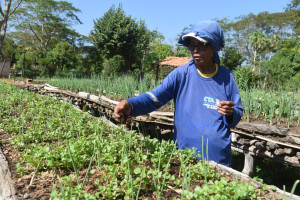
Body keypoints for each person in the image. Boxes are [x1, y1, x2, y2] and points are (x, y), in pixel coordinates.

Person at [114, 21, 243, 166]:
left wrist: (230, 113)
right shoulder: (181, 74)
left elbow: (237, 113)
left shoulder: (226, 77)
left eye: (200, 45)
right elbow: (155, 98)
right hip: (186, 158)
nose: (195, 50)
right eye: (191, 45)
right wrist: (130, 104)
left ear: (213, 46)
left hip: (219, 160)